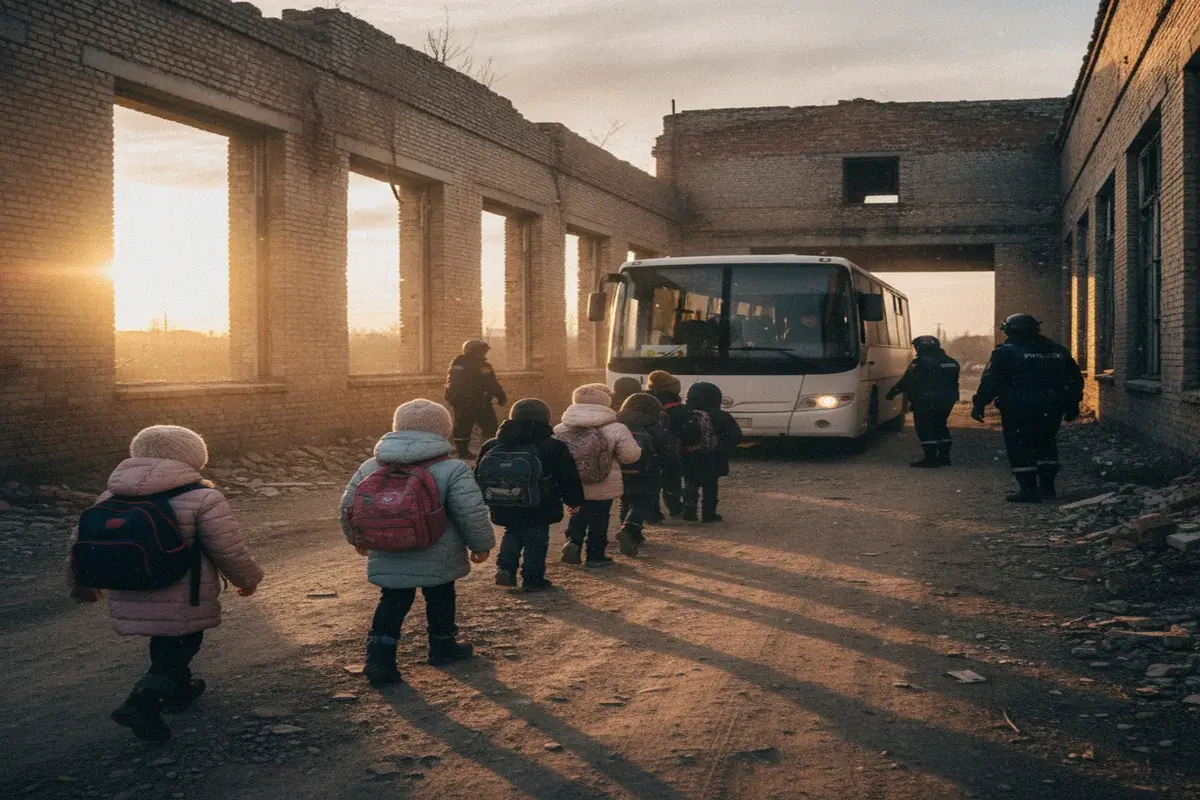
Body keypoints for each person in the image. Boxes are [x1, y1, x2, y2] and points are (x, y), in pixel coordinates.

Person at [65, 425, 263, 742]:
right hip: (183, 590)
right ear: (194, 458)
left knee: (166, 638)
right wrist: (248, 579)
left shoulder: (110, 495)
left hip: (129, 584)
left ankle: (179, 689)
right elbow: (226, 548)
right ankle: (142, 702)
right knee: (182, 642)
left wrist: (81, 584)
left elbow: (80, 543)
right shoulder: (203, 497)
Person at [340, 399, 495, 686]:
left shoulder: (372, 465)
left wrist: (357, 540)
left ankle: (379, 659)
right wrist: (481, 544)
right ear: (444, 431)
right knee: (441, 595)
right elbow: (469, 511)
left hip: (385, 546)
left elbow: (348, 507)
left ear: (397, 427)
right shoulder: (452, 468)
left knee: (393, 599)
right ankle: (443, 645)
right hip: (439, 550)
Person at [972, 314, 1084, 503]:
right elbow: (1075, 380)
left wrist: (980, 403)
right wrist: (1072, 404)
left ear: (1010, 330)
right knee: (1046, 443)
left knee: (1019, 446)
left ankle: (1028, 490)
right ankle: (1048, 488)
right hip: (1052, 409)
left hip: (1018, 409)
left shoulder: (1006, 352)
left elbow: (991, 381)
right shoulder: (1057, 350)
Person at [476, 399, 585, 592]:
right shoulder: (553, 446)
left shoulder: (492, 444)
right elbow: (568, 476)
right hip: (541, 503)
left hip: (503, 500)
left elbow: (479, 474)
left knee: (512, 531)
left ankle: (505, 569)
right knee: (537, 536)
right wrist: (574, 501)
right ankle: (533, 578)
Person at [554, 384, 642, 567]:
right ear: (605, 401)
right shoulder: (616, 428)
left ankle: (573, 543)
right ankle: (595, 555)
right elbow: (630, 456)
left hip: (573, 482)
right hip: (603, 480)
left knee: (577, 513)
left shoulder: (560, 428)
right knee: (600, 517)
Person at [616, 392, 680, 556]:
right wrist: (665, 471)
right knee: (643, 501)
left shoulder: (617, 423)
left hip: (621, 470)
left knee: (626, 500)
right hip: (646, 471)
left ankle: (632, 532)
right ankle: (630, 528)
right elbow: (669, 453)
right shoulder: (655, 426)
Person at [887, 335, 961, 468]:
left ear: (922, 347)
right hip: (948, 399)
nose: (916, 350)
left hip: (926, 399)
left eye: (917, 347)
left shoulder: (920, 362)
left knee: (925, 427)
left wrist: (893, 392)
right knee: (940, 425)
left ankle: (930, 459)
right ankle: (944, 457)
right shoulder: (952, 362)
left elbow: (907, 380)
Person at [681, 381, 743, 522]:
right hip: (713, 458)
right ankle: (709, 514)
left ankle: (689, 508)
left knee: (690, 482)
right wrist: (723, 449)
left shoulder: (685, 414)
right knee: (710, 486)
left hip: (689, 456)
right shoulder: (722, 416)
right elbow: (735, 436)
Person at [445, 340, 507, 460]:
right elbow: (491, 382)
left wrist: (453, 399)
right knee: (485, 425)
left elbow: (452, 384)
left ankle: (467, 452)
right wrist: (500, 396)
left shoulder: (458, 363)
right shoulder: (479, 365)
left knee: (467, 425)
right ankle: (487, 450)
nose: (484, 354)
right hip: (476, 401)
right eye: (482, 351)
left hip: (467, 401)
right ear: (475, 351)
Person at [647, 370, 688, 518]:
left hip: (650, 449)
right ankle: (675, 507)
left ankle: (653, 513)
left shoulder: (645, 404)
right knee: (672, 481)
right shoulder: (679, 409)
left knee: (652, 482)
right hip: (672, 450)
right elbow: (687, 431)